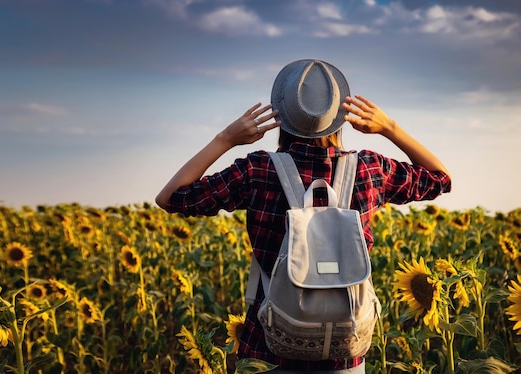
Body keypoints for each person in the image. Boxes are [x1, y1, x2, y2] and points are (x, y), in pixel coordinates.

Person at [155, 59, 451, 372]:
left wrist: (225, 139)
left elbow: (171, 197)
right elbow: (440, 179)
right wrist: (390, 128)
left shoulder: (257, 170)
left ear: (280, 116)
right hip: (345, 350)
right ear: (341, 116)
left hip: (268, 349)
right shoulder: (369, 169)